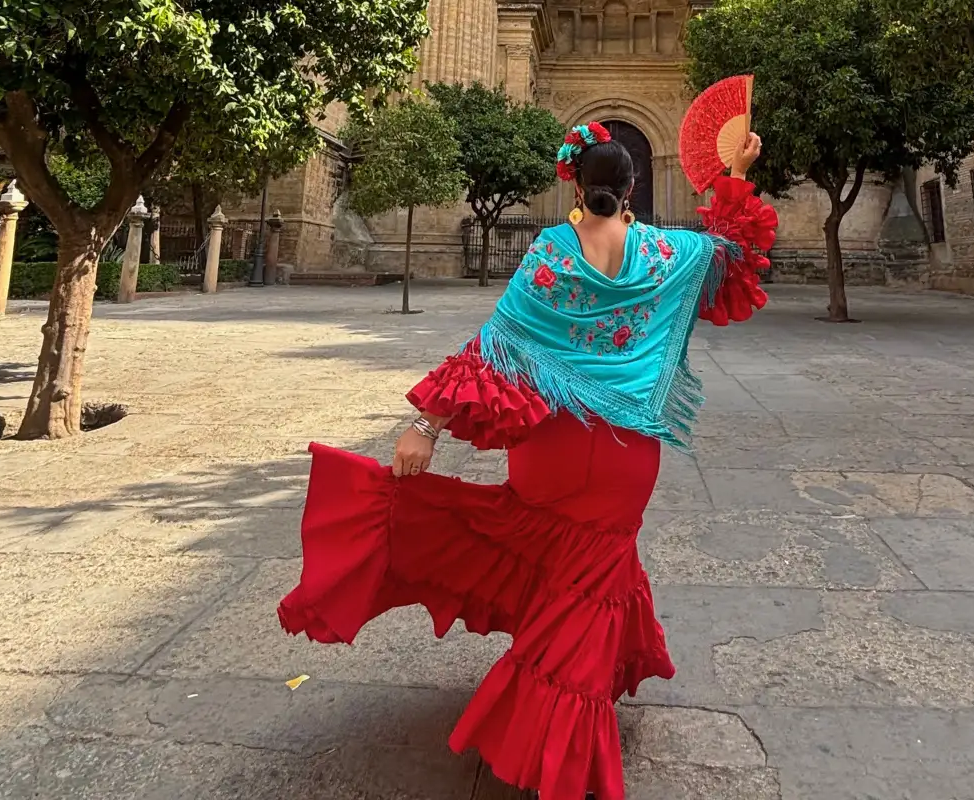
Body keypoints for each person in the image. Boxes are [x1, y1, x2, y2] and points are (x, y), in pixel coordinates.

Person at [278, 122, 779, 800]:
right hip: (630, 454)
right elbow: (733, 252)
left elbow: (495, 342)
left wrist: (426, 425)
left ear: (574, 183)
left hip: (552, 445)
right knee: (593, 571)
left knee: (569, 566)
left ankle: (580, 693)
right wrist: (737, 175)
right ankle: (565, 747)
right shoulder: (669, 252)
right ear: (633, 187)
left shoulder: (550, 249)